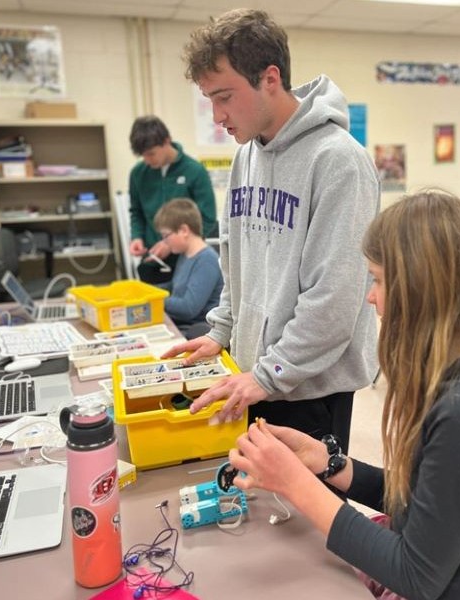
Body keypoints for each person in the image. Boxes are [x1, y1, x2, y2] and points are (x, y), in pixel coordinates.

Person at [228, 191, 460, 600]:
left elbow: (415, 574)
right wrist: (330, 464)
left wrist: (297, 484)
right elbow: (429, 504)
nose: (371, 296)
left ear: (421, 290)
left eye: (379, 280)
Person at [162, 8, 380, 454]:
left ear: (270, 78)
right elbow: (236, 263)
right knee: (257, 511)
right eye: (210, 100)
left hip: (309, 388)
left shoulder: (339, 161)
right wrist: (221, 331)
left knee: (305, 517)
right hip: (256, 375)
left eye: (224, 97)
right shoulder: (247, 155)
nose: (218, 115)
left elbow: (335, 296)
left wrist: (268, 374)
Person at [128, 115, 217, 284]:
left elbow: (207, 218)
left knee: (184, 306)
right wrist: (137, 237)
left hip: (188, 258)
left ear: (167, 141)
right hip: (154, 258)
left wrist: (170, 244)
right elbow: (136, 212)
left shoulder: (195, 171)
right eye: (143, 156)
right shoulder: (138, 174)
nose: (147, 160)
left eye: (151, 154)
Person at [153, 198, 223, 339]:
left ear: (184, 230)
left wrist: (152, 300)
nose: (164, 242)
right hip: (181, 325)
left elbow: (188, 308)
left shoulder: (207, 261)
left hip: (194, 331)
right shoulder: (185, 255)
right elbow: (175, 286)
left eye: (166, 236)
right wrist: (149, 290)